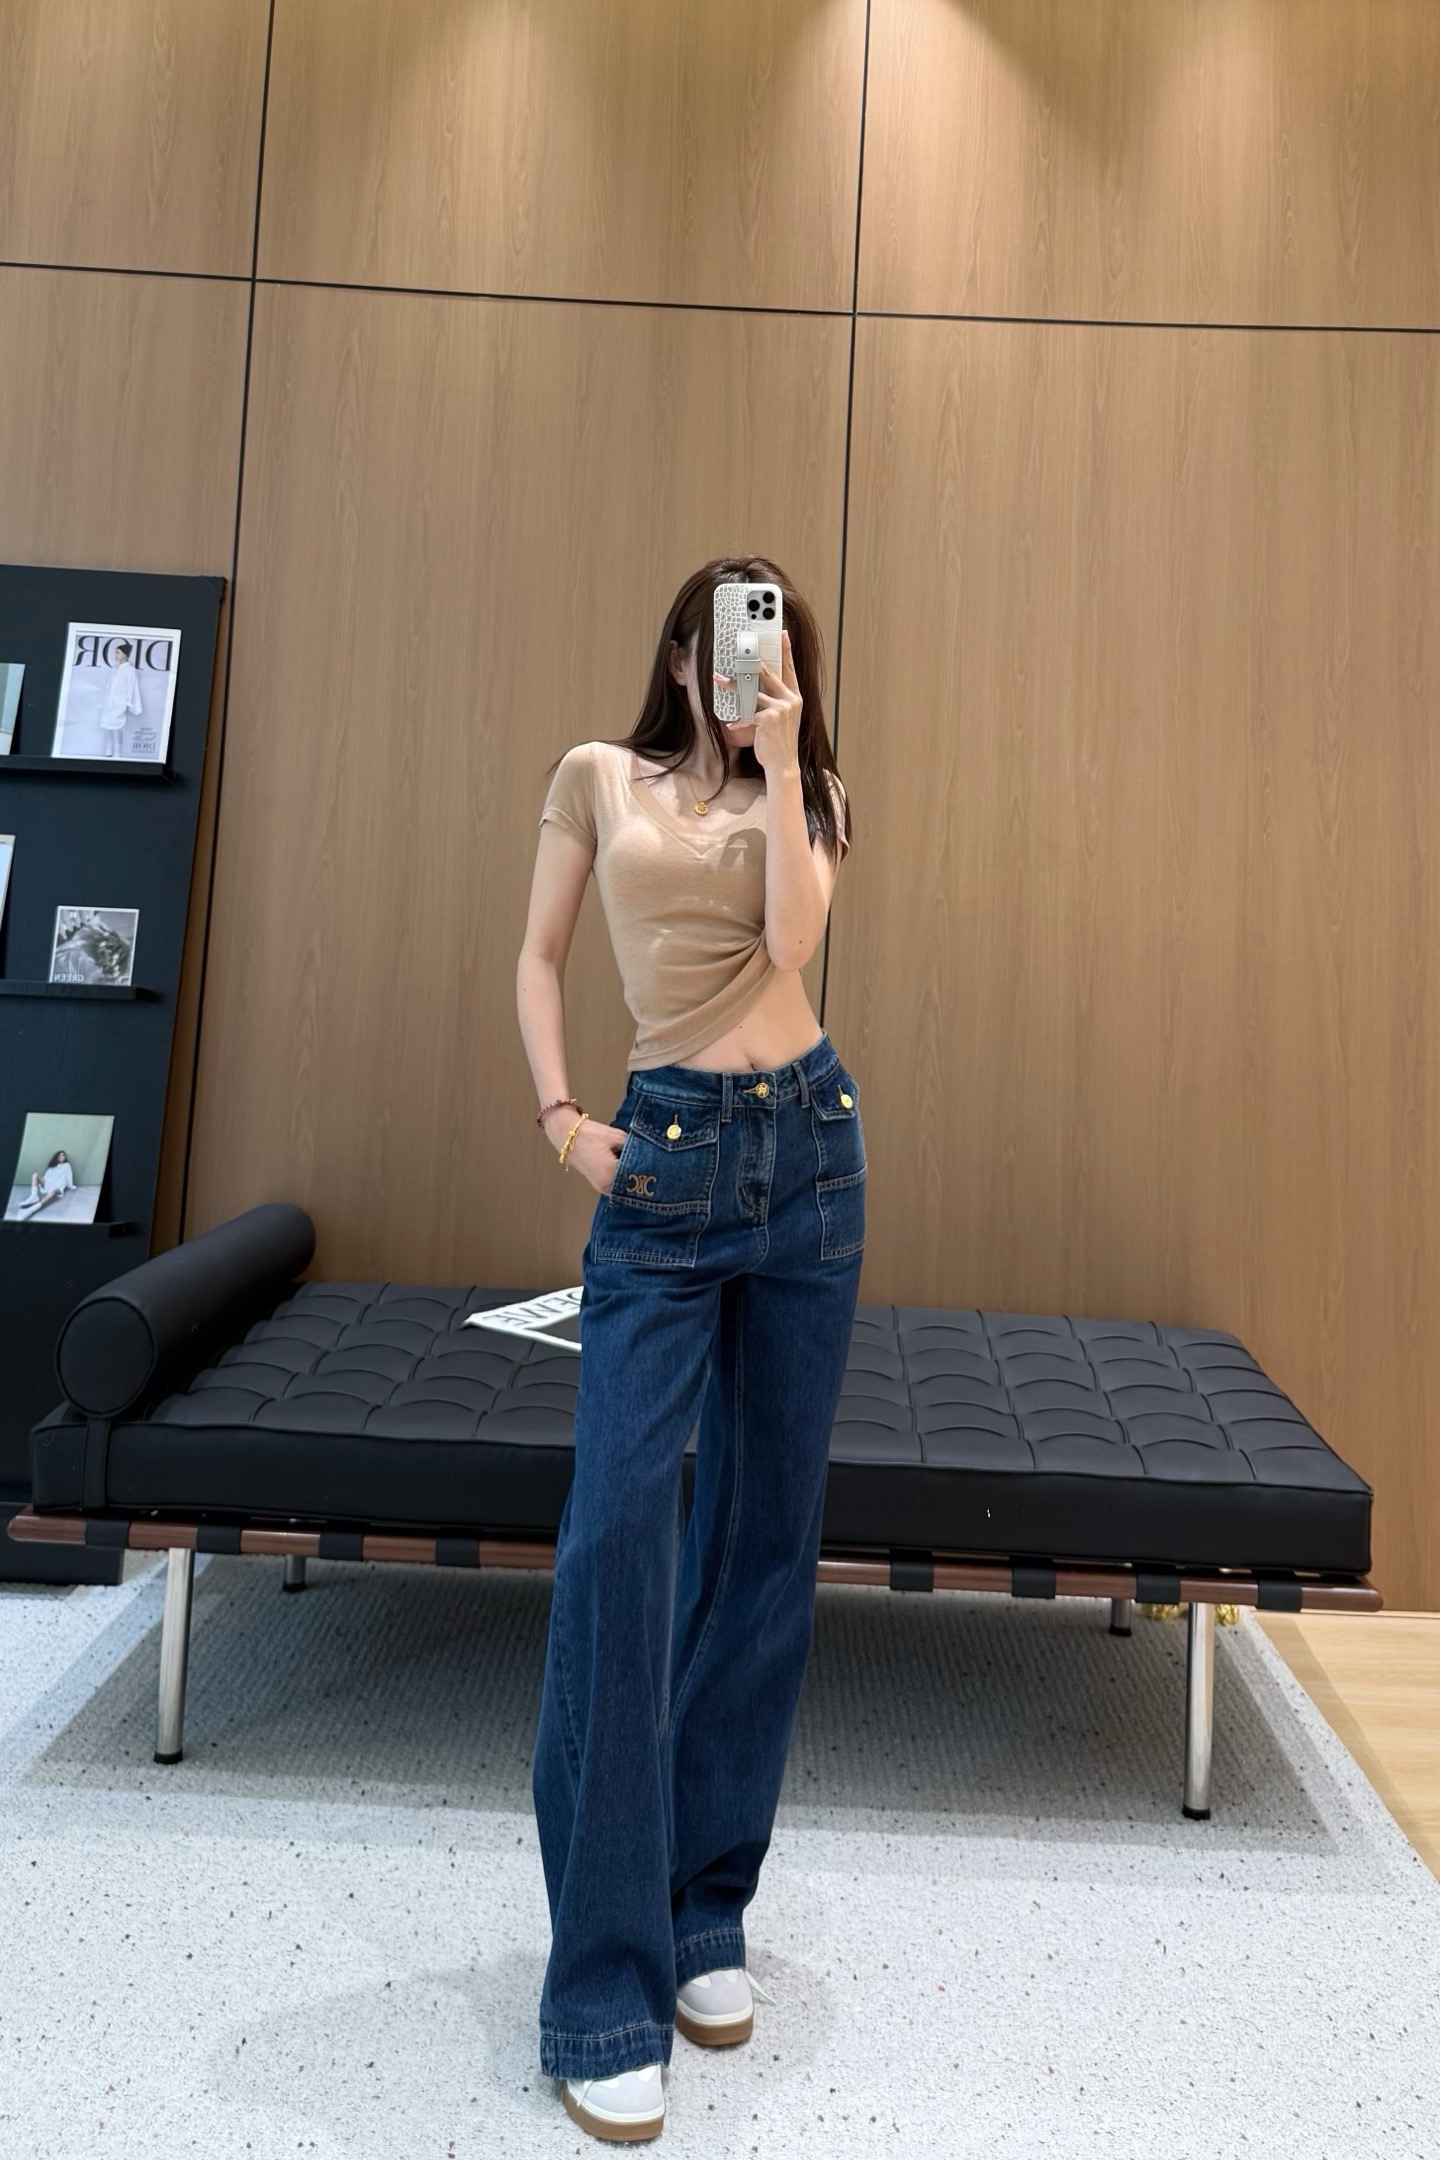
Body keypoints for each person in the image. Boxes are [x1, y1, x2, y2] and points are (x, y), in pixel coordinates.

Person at [516, 555, 863, 2142]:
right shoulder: (596, 775)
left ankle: (705, 1907)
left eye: (770, 636)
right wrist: (560, 1121)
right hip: (660, 1161)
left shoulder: (814, 790)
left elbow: (791, 946)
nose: (744, 658)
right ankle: (602, 1981)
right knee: (613, 1547)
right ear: (677, 650)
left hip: (811, 1156)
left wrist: (782, 758)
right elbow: (538, 956)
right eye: (725, 634)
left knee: (762, 1542)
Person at [96, 641, 142, 758]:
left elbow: (132, 687)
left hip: (119, 703)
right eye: (115, 652)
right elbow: (109, 686)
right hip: (110, 703)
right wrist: (104, 701)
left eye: (118, 653)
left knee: (118, 730)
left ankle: (117, 755)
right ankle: (108, 753)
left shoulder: (130, 670)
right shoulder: (115, 669)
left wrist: (126, 703)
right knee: (108, 729)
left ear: (125, 655)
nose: (115, 655)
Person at [18, 1149, 75, 1216]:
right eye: (59, 1156)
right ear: (56, 1157)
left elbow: (69, 1176)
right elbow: (47, 1176)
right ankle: (33, 1197)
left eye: (63, 1155)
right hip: (49, 1183)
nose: (61, 1157)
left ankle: (31, 1209)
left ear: (65, 1157)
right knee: (35, 1175)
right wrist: (42, 1184)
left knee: (53, 1191)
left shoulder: (67, 1165)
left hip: (58, 1186)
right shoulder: (53, 1165)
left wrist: (71, 1186)